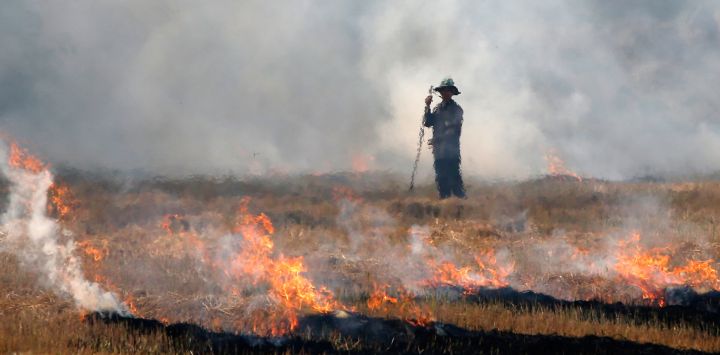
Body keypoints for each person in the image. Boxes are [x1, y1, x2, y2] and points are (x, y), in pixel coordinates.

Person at [423, 78, 466, 199]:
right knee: (441, 179)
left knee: (454, 178)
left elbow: (453, 130)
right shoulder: (437, 109)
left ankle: (461, 203)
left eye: (448, 90)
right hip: (439, 151)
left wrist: (437, 139)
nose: (445, 93)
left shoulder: (457, 110)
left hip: (451, 151)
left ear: (452, 92)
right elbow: (427, 123)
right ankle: (445, 205)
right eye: (443, 90)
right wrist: (427, 106)